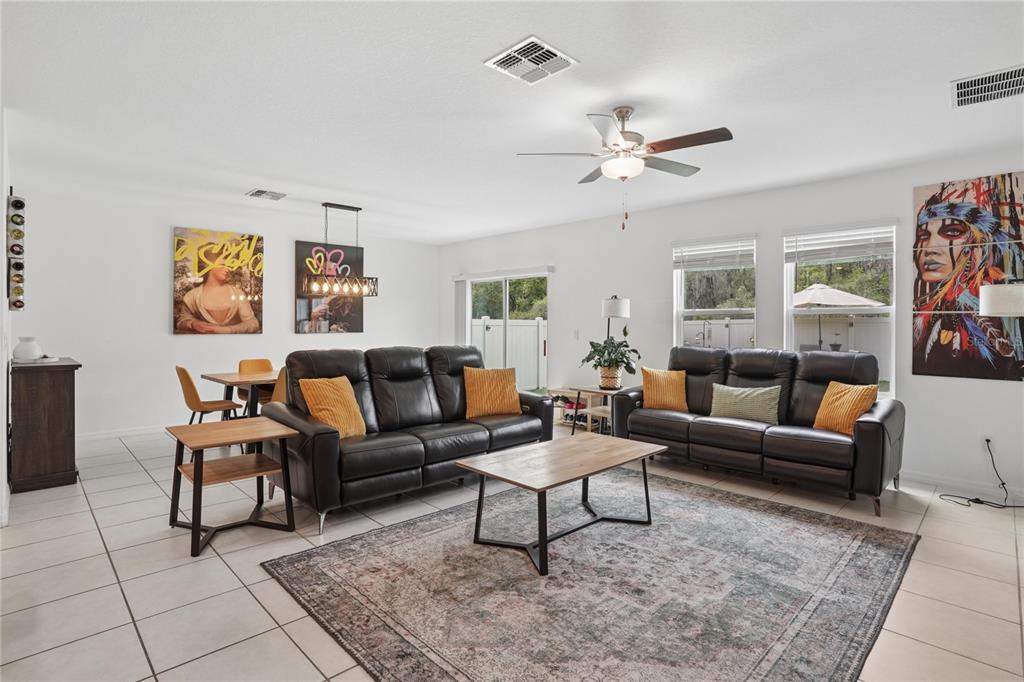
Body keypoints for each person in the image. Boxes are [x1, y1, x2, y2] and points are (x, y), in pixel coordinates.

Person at [913, 179, 1022, 379]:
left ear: (980, 245)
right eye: (923, 235)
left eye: (952, 232)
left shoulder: (996, 304)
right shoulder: (926, 308)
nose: (929, 248)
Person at [176, 258, 260, 334]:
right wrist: (192, 324)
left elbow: (253, 323)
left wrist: (228, 330)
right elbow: (181, 322)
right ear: (209, 266)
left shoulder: (237, 294)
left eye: (228, 266)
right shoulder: (192, 296)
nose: (227, 269)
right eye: (222, 265)